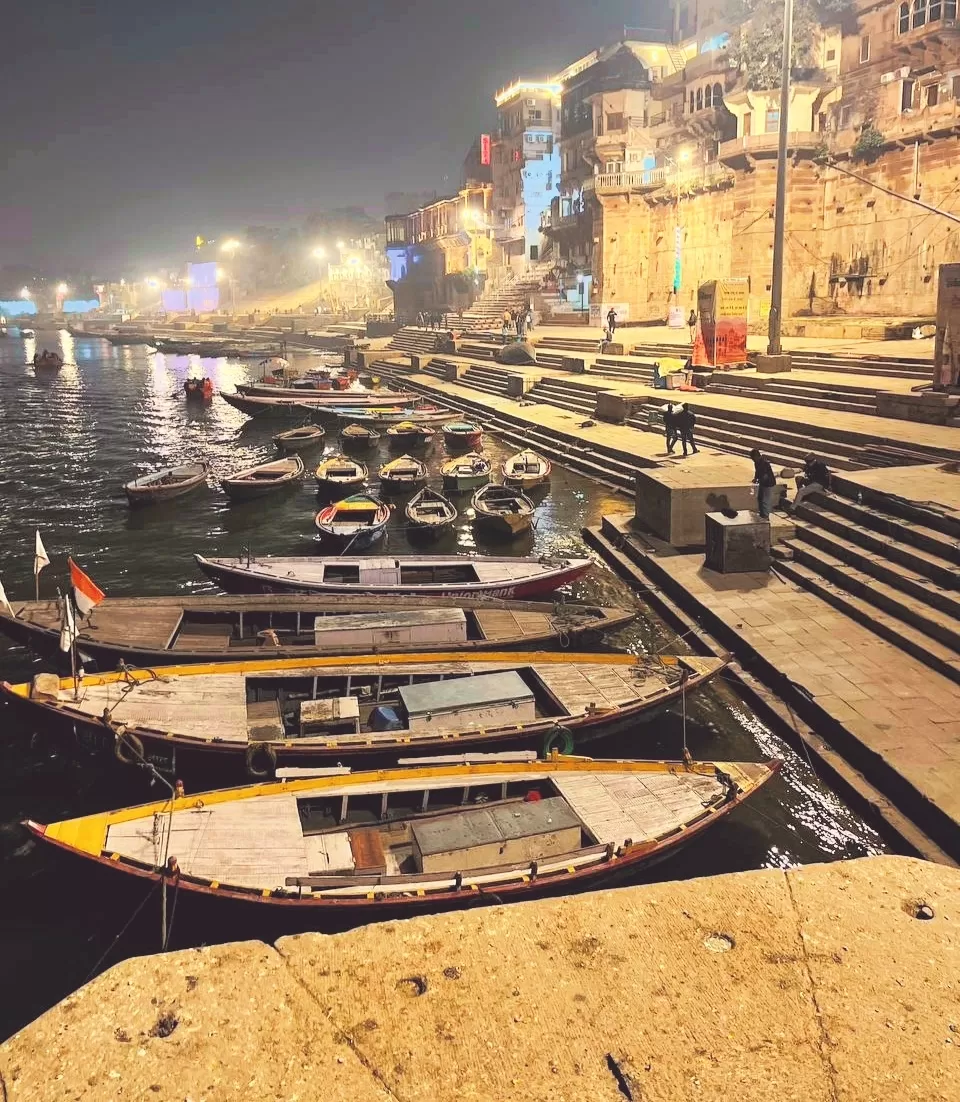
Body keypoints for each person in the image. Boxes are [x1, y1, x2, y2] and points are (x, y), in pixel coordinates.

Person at [750, 449, 778, 518]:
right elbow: (757, 472)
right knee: (760, 498)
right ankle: (762, 512)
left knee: (765, 500)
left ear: (756, 456)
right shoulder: (756, 463)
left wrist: (759, 480)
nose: (753, 460)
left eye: (753, 458)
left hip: (768, 483)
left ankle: (765, 515)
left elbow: (765, 476)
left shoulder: (764, 463)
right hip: (762, 483)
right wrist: (755, 478)